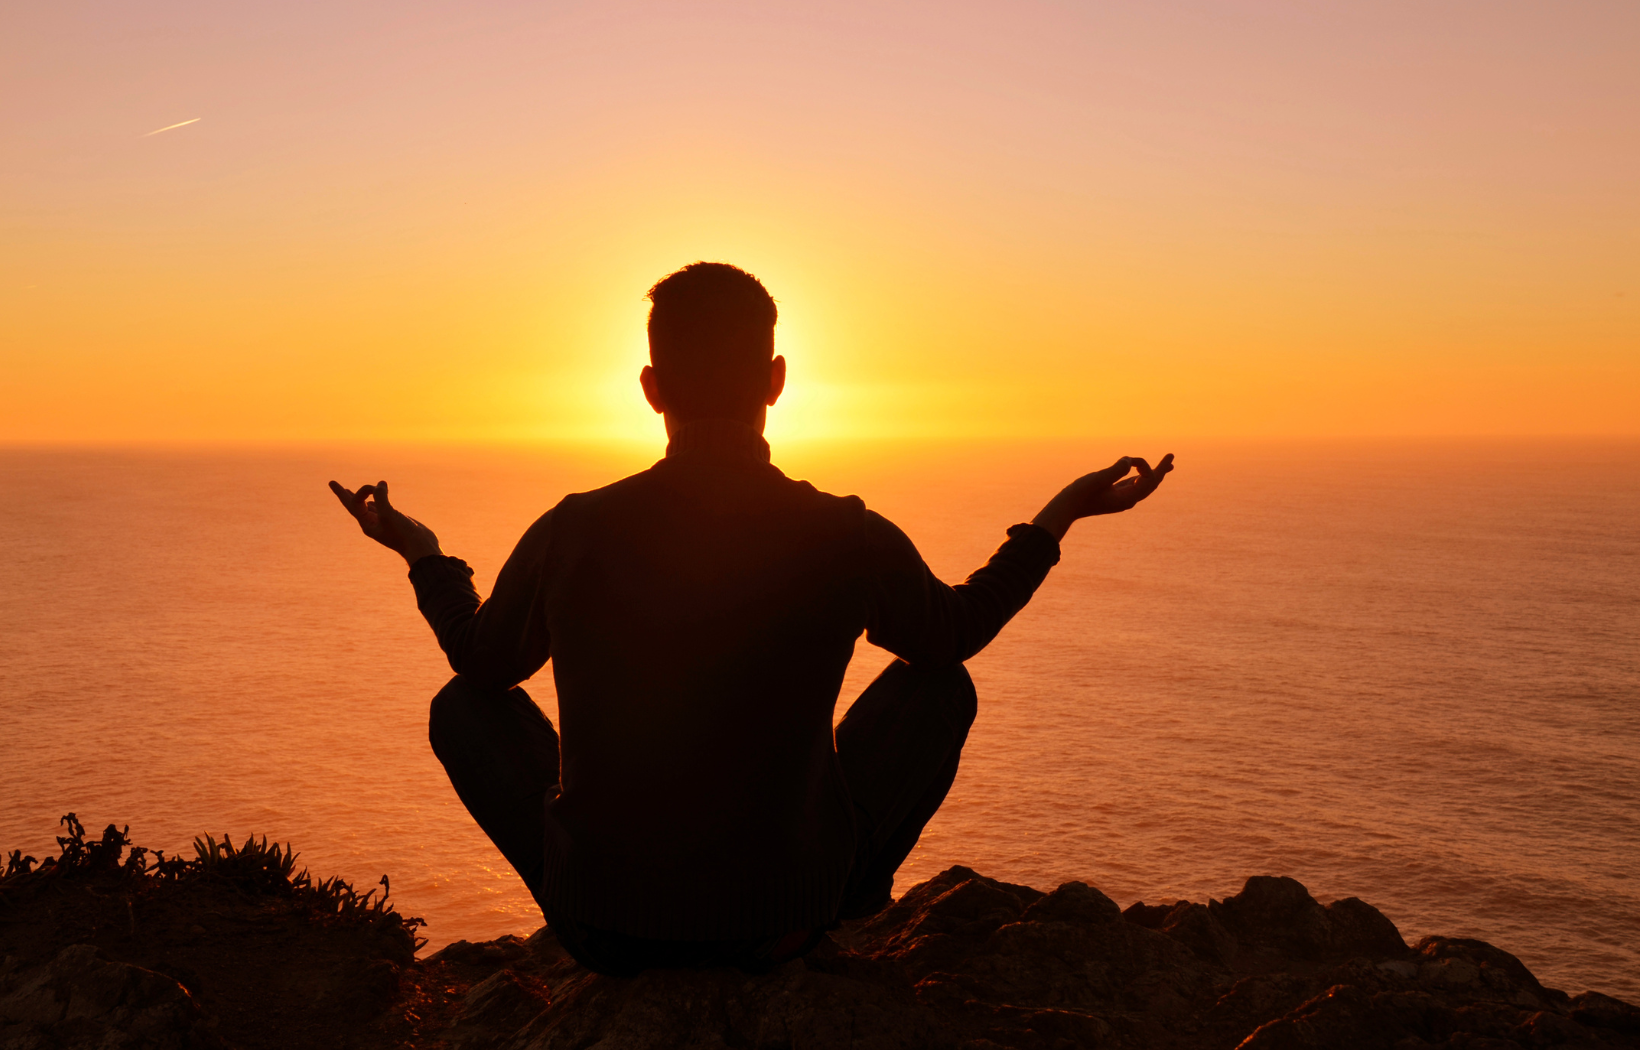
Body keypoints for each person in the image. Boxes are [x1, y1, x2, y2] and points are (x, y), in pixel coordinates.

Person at [330, 261, 1172, 976]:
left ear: (651, 390)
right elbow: (954, 633)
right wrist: (1059, 515)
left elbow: (482, 664)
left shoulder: (574, 528)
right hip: (782, 928)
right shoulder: (842, 531)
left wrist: (423, 552)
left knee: (462, 707)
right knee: (938, 688)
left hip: (606, 933)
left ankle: (591, 886)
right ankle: (843, 896)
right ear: (775, 380)